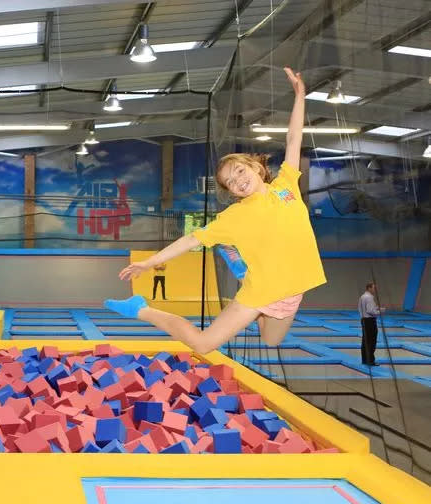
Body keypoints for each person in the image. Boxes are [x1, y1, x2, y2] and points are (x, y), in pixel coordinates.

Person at [104, 67, 326, 355]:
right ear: (231, 193)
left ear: (256, 167)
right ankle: (142, 310)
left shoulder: (286, 186)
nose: (239, 181)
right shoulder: (235, 216)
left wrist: (300, 96)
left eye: (240, 171)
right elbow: (191, 240)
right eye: (231, 183)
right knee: (203, 344)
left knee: (271, 340)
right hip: (263, 290)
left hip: (294, 286)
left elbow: (294, 138)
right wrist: (149, 263)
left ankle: (243, 268)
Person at [358, 282, 382, 366]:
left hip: (364, 320)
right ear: (369, 288)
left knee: (365, 340)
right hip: (370, 321)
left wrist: (375, 308)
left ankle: (364, 359)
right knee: (371, 341)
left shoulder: (362, 297)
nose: (374, 290)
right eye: (373, 288)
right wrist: (379, 312)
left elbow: (361, 309)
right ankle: (370, 360)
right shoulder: (370, 298)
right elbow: (370, 311)